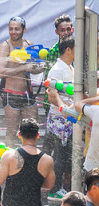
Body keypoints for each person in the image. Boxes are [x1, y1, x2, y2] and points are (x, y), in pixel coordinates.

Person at [0, 16, 41, 145]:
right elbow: (0, 72)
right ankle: (8, 161)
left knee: (32, 130)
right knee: (12, 131)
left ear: (24, 30)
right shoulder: (5, 46)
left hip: (28, 94)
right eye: (11, 29)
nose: (13, 32)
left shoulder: (29, 45)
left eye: (16, 29)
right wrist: (23, 67)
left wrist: (43, 67)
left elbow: (34, 69)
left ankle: (30, 160)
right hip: (11, 94)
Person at [44, 36, 75, 196]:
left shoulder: (69, 67)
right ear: (68, 49)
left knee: (64, 157)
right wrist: (65, 107)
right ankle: (53, 190)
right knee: (59, 157)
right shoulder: (57, 69)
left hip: (68, 119)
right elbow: (50, 95)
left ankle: (59, 187)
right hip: (59, 120)